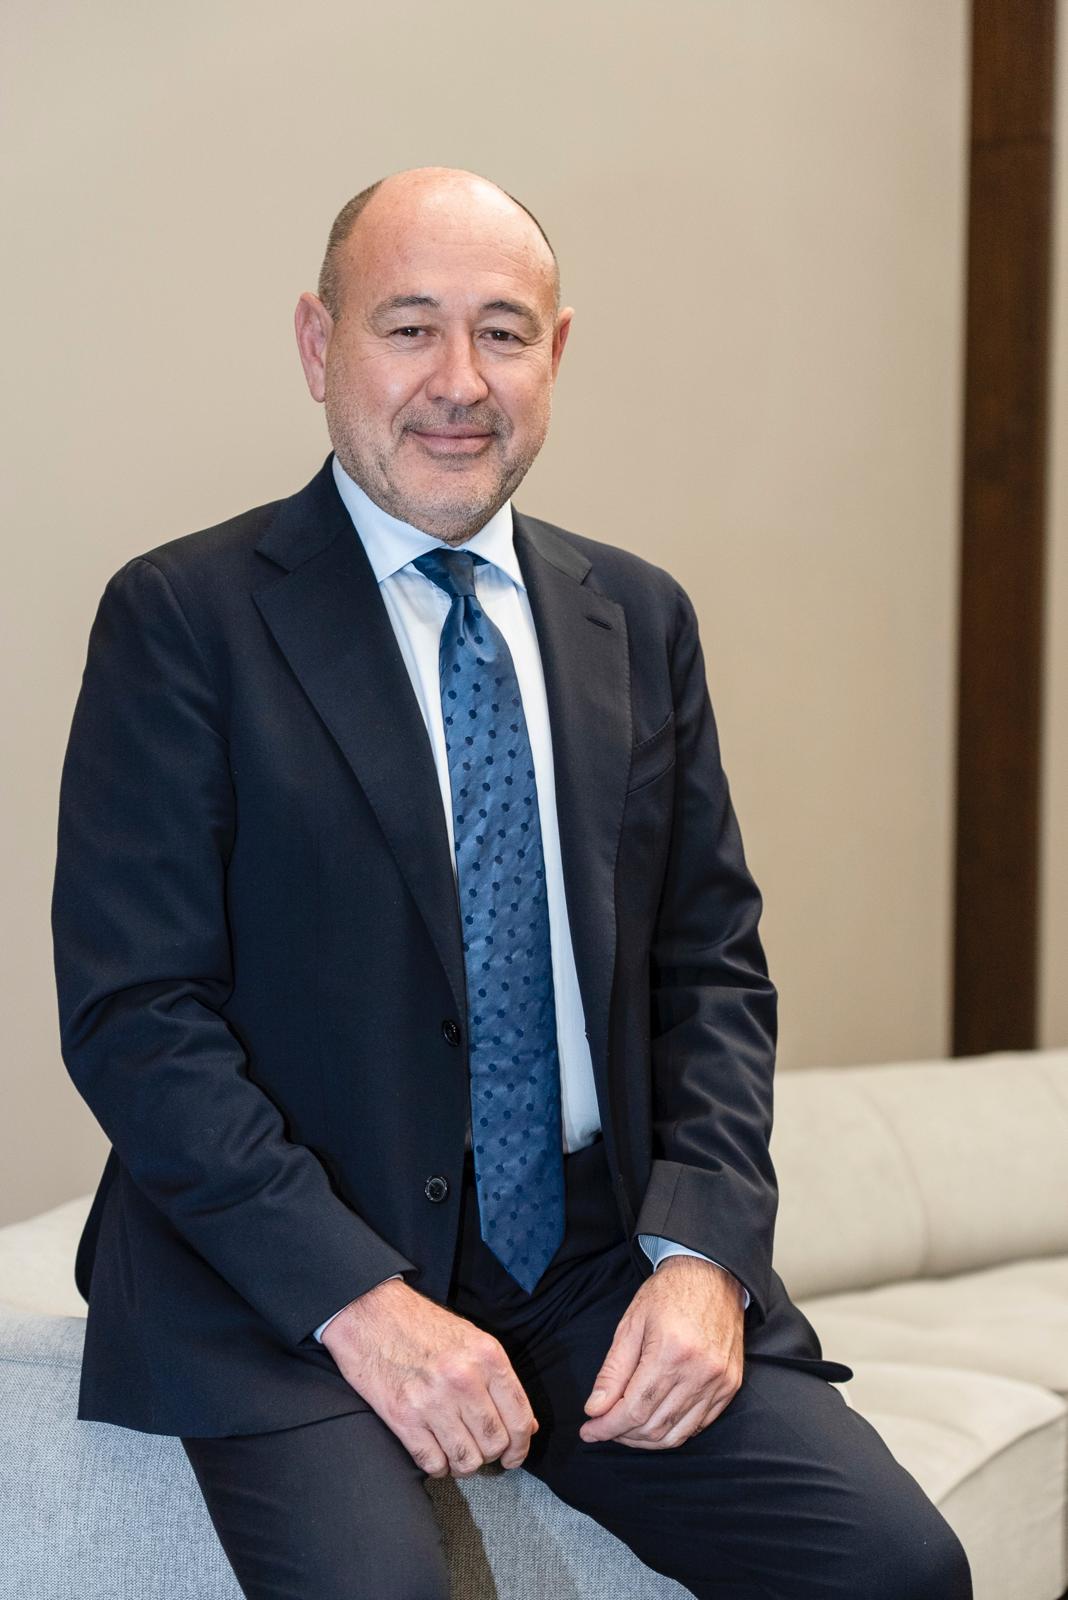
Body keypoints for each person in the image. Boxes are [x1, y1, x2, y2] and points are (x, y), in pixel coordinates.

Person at [51, 166, 971, 1600]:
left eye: (503, 331)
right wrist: (361, 1303)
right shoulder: (183, 619)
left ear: (558, 351)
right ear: (319, 344)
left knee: (896, 1568)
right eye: (409, 327)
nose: (460, 383)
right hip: (292, 1270)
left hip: (590, 1260)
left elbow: (712, 968)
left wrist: (701, 1256)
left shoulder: (637, 617)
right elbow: (136, 1015)